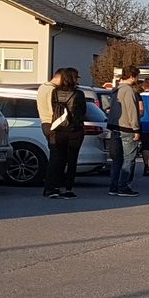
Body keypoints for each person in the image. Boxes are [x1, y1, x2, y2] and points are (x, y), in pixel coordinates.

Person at [46, 67, 87, 199]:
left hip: (58, 128)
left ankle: (54, 188)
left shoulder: (55, 92)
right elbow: (83, 111)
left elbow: (54, 108)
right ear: (73, 79)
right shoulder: (78, 94)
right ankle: (69, 188)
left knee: (59, 159)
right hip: (74, 130)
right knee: (72, 160)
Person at [107, 65, 142, 196]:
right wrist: (136, 129)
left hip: (115, 126)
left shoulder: (115, 90)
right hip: (127, 128)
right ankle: (124, 186)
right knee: (129, 158)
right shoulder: (129, 90)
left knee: (117, 159)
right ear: (132, 76)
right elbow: (132, 110)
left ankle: (114, 186)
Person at [37, 68, 63, 197]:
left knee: (55, 156)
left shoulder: (42, 87)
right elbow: (55, 110)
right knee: (56, 157)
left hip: (44, 123)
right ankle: (50, 188)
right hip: (52, 124)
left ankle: (51, 186)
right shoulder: (53, 90)